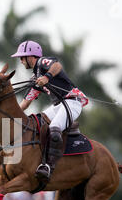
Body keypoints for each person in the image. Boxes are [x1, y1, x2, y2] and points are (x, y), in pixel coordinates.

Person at [11, 40, 88, 180]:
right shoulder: (35, 78)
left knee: (54, 126)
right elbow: (25, 103)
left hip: (72, 102)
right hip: (58, 105)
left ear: (31, 56)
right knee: (36, 122)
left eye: (22, 57)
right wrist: (9, 114)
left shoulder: (42, 62)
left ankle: (48, 166)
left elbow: (57, 65)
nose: (21, 61)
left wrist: (47, 77)